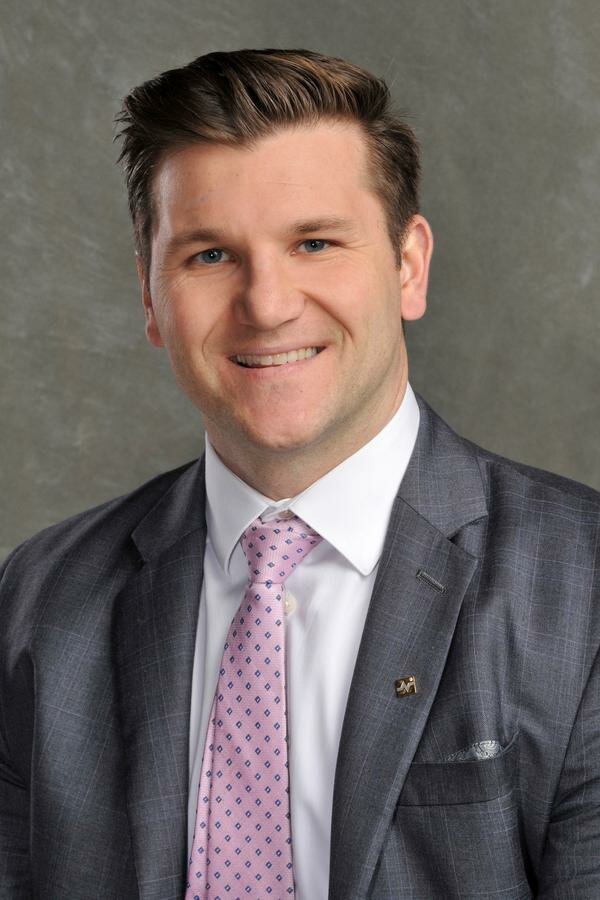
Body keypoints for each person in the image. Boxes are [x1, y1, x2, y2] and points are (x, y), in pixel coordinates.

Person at [0, 48, 598, 900]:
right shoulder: (38, 603)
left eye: (314, 243)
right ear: (149, 296)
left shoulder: (582, 589)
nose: (268, 304)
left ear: (408, 266)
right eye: (210, 255)